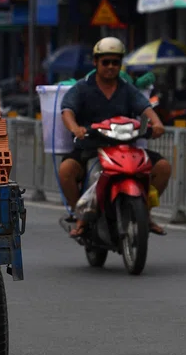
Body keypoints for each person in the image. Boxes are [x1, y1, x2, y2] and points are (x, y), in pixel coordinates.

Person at [57, 38, 170, 237]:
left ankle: (145, 213)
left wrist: (157, 123)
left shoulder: (127, 88)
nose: (110, 67)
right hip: (91, 147)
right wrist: (75, 128)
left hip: (126, 148)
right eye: (105, 62)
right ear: (96, 62)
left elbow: (145, 107)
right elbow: (67, 111)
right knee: (66, 170)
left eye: (115, 62)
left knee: (163, 168)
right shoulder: (82, 88)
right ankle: (80, 216)